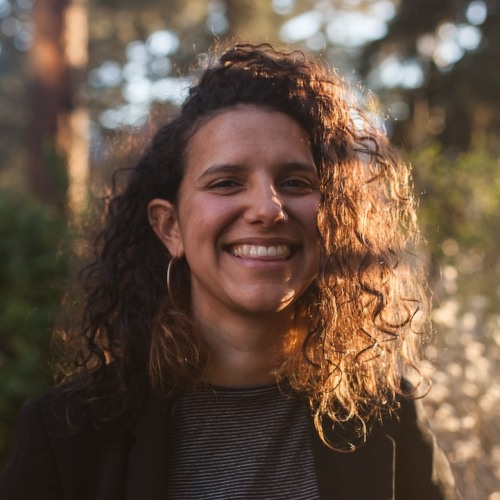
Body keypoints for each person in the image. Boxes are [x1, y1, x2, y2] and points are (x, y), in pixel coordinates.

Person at [0, 42, 458, 499]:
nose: (267, 208)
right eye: (226, 183)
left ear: (334, 218)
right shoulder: (67, 433)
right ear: (170, 227)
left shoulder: (388, 417)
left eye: (295, 182)